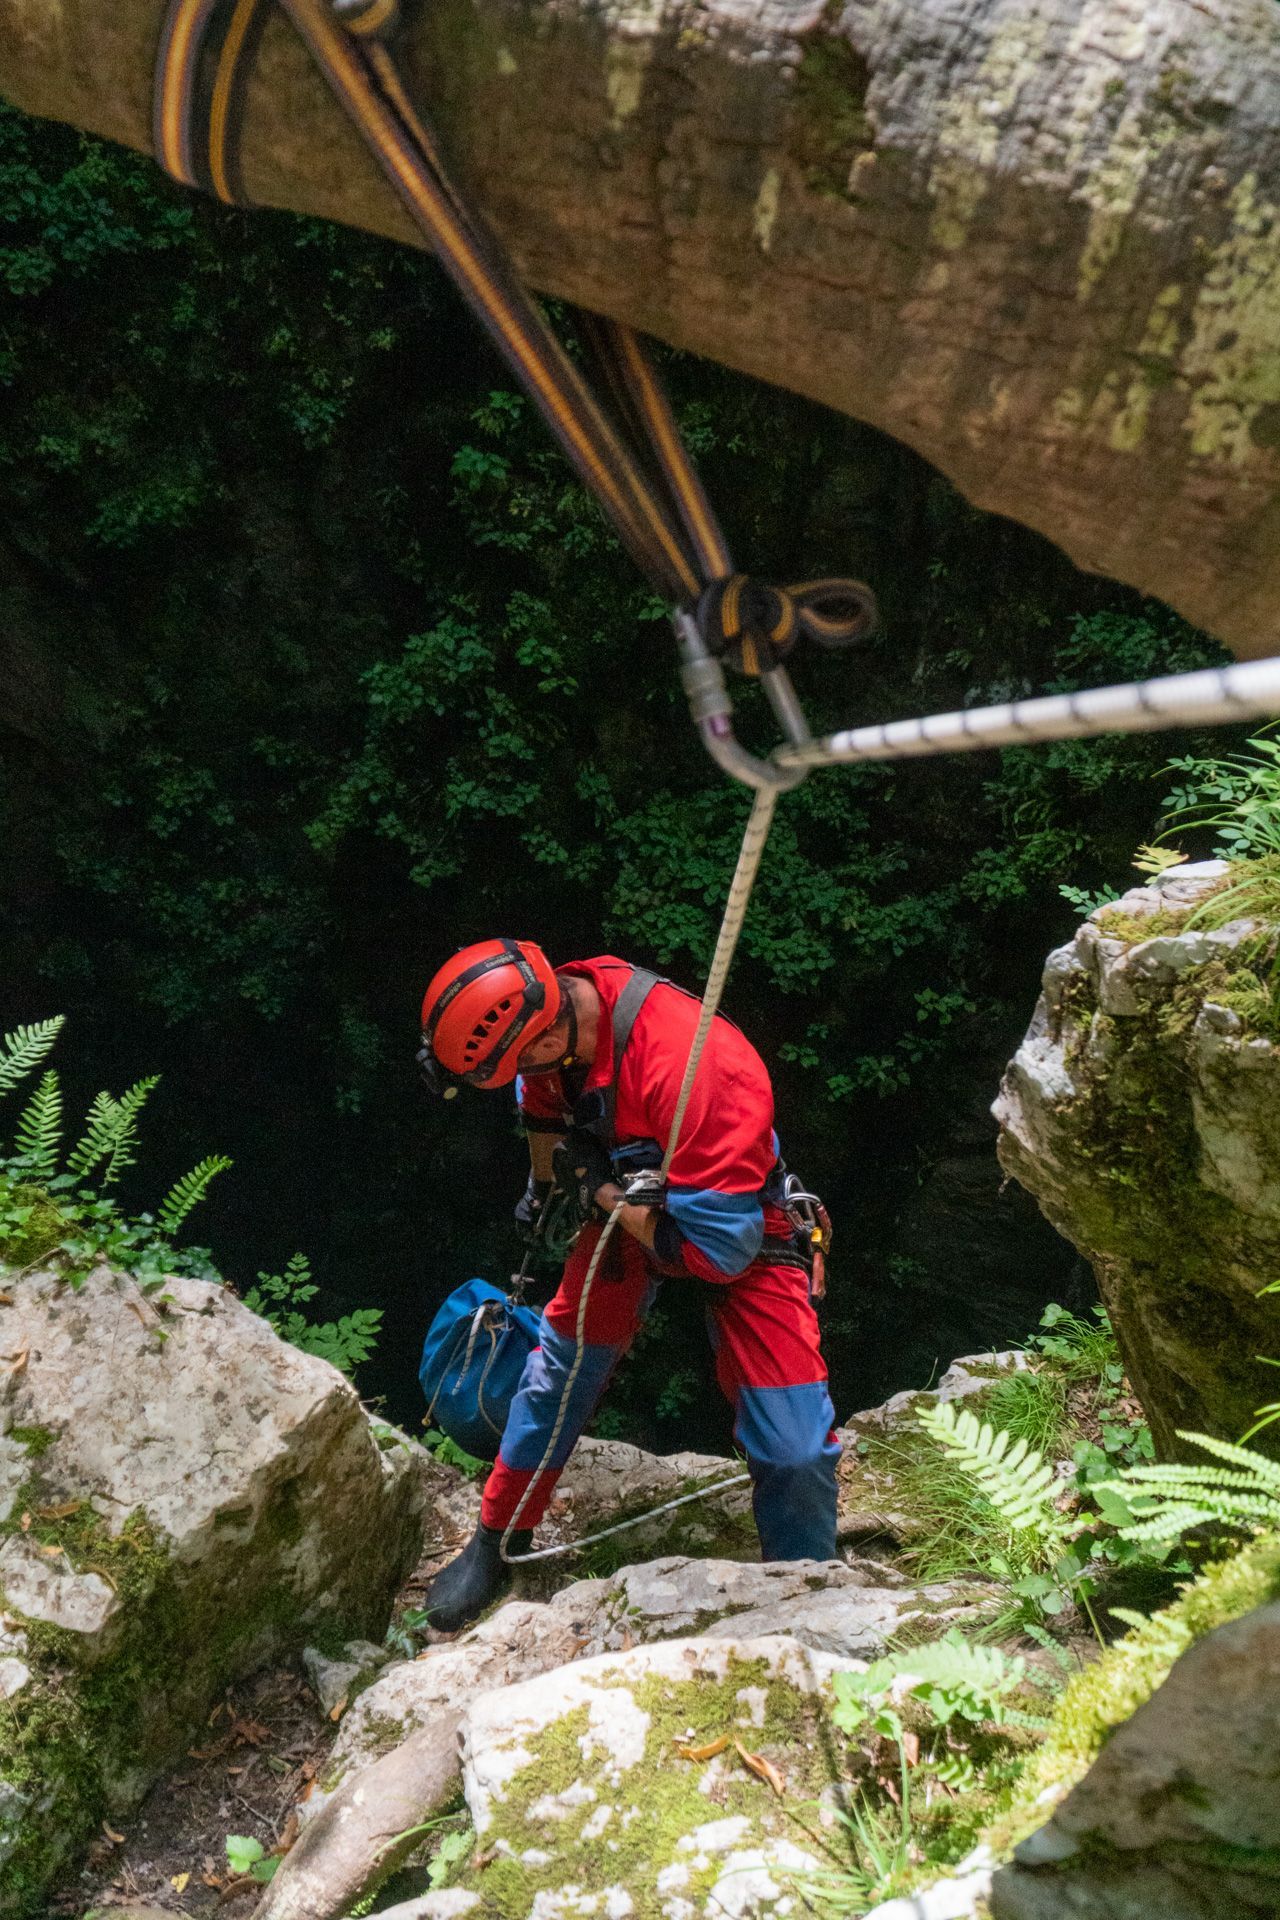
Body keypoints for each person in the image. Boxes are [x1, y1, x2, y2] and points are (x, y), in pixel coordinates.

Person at [416, 938, 840, 1630]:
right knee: (561, 1367)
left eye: (521, 1059)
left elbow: (720, 1255)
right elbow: (543, 1107)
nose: (521, 1072)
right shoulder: (556, 1027)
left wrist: (605, 1194)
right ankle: (499, 1537)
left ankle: (808, 1585)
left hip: (735, 1222)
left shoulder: (697, 1070)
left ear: (549, 1028)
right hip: (625, 1195)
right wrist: (547, 1189)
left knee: (793, 1448)